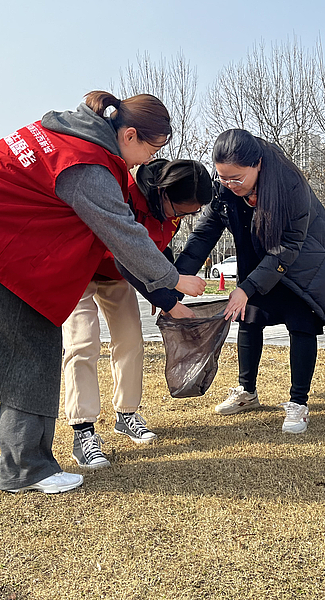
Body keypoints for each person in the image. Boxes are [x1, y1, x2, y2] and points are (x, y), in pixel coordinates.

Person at [0, 91, 206, 494]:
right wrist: (172, 279)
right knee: (32, 350)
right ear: (129, 135)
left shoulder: (64, 133)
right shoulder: (88, 162)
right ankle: (28, 468)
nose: (147, 160)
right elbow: (124, 234)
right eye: (152, 149)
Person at [175, 129, 325, 434]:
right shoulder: (224, 189)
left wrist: (247, 288)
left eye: (236, 178)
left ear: (257, 164)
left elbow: (289, 246)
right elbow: (203, 236)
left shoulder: (290, 184)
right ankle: (247, 391)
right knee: (249, 318)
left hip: (302, 264)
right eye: (223, 177)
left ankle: (298, 403)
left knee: (301, 322)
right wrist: (173, 284)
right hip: (258, 260)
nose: (229, 185)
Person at [63, 158, 211, 468]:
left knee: (130, 340)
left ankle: (126, 414)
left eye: (190, 213)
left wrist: (164, 288)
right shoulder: (124, 192)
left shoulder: (172, 211)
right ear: (163, 192)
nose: (182, 217)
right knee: (83, 343)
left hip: (115, 276)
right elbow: (125, 255)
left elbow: (157, 249)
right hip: (78, 268)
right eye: (181, 210)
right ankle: (83, 430)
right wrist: (167, 300)